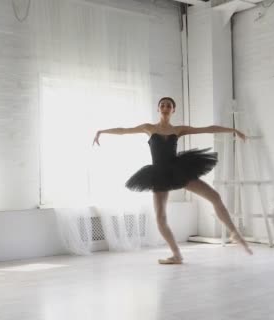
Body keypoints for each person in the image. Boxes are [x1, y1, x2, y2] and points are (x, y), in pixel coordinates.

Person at [92, 97, 253, 264]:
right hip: (158, 173)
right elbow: (124, 130)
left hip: (178, 170)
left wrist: (233, 130)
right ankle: (176, 255)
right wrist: (101, 131)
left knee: (214, 197)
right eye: (162, 105)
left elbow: (207, 128)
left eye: (169, 105)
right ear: (158, 108)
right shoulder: (149, 128)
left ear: (173, 110)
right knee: (160, 217)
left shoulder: (178, 129)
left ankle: (234, 232)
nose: (165, 107)